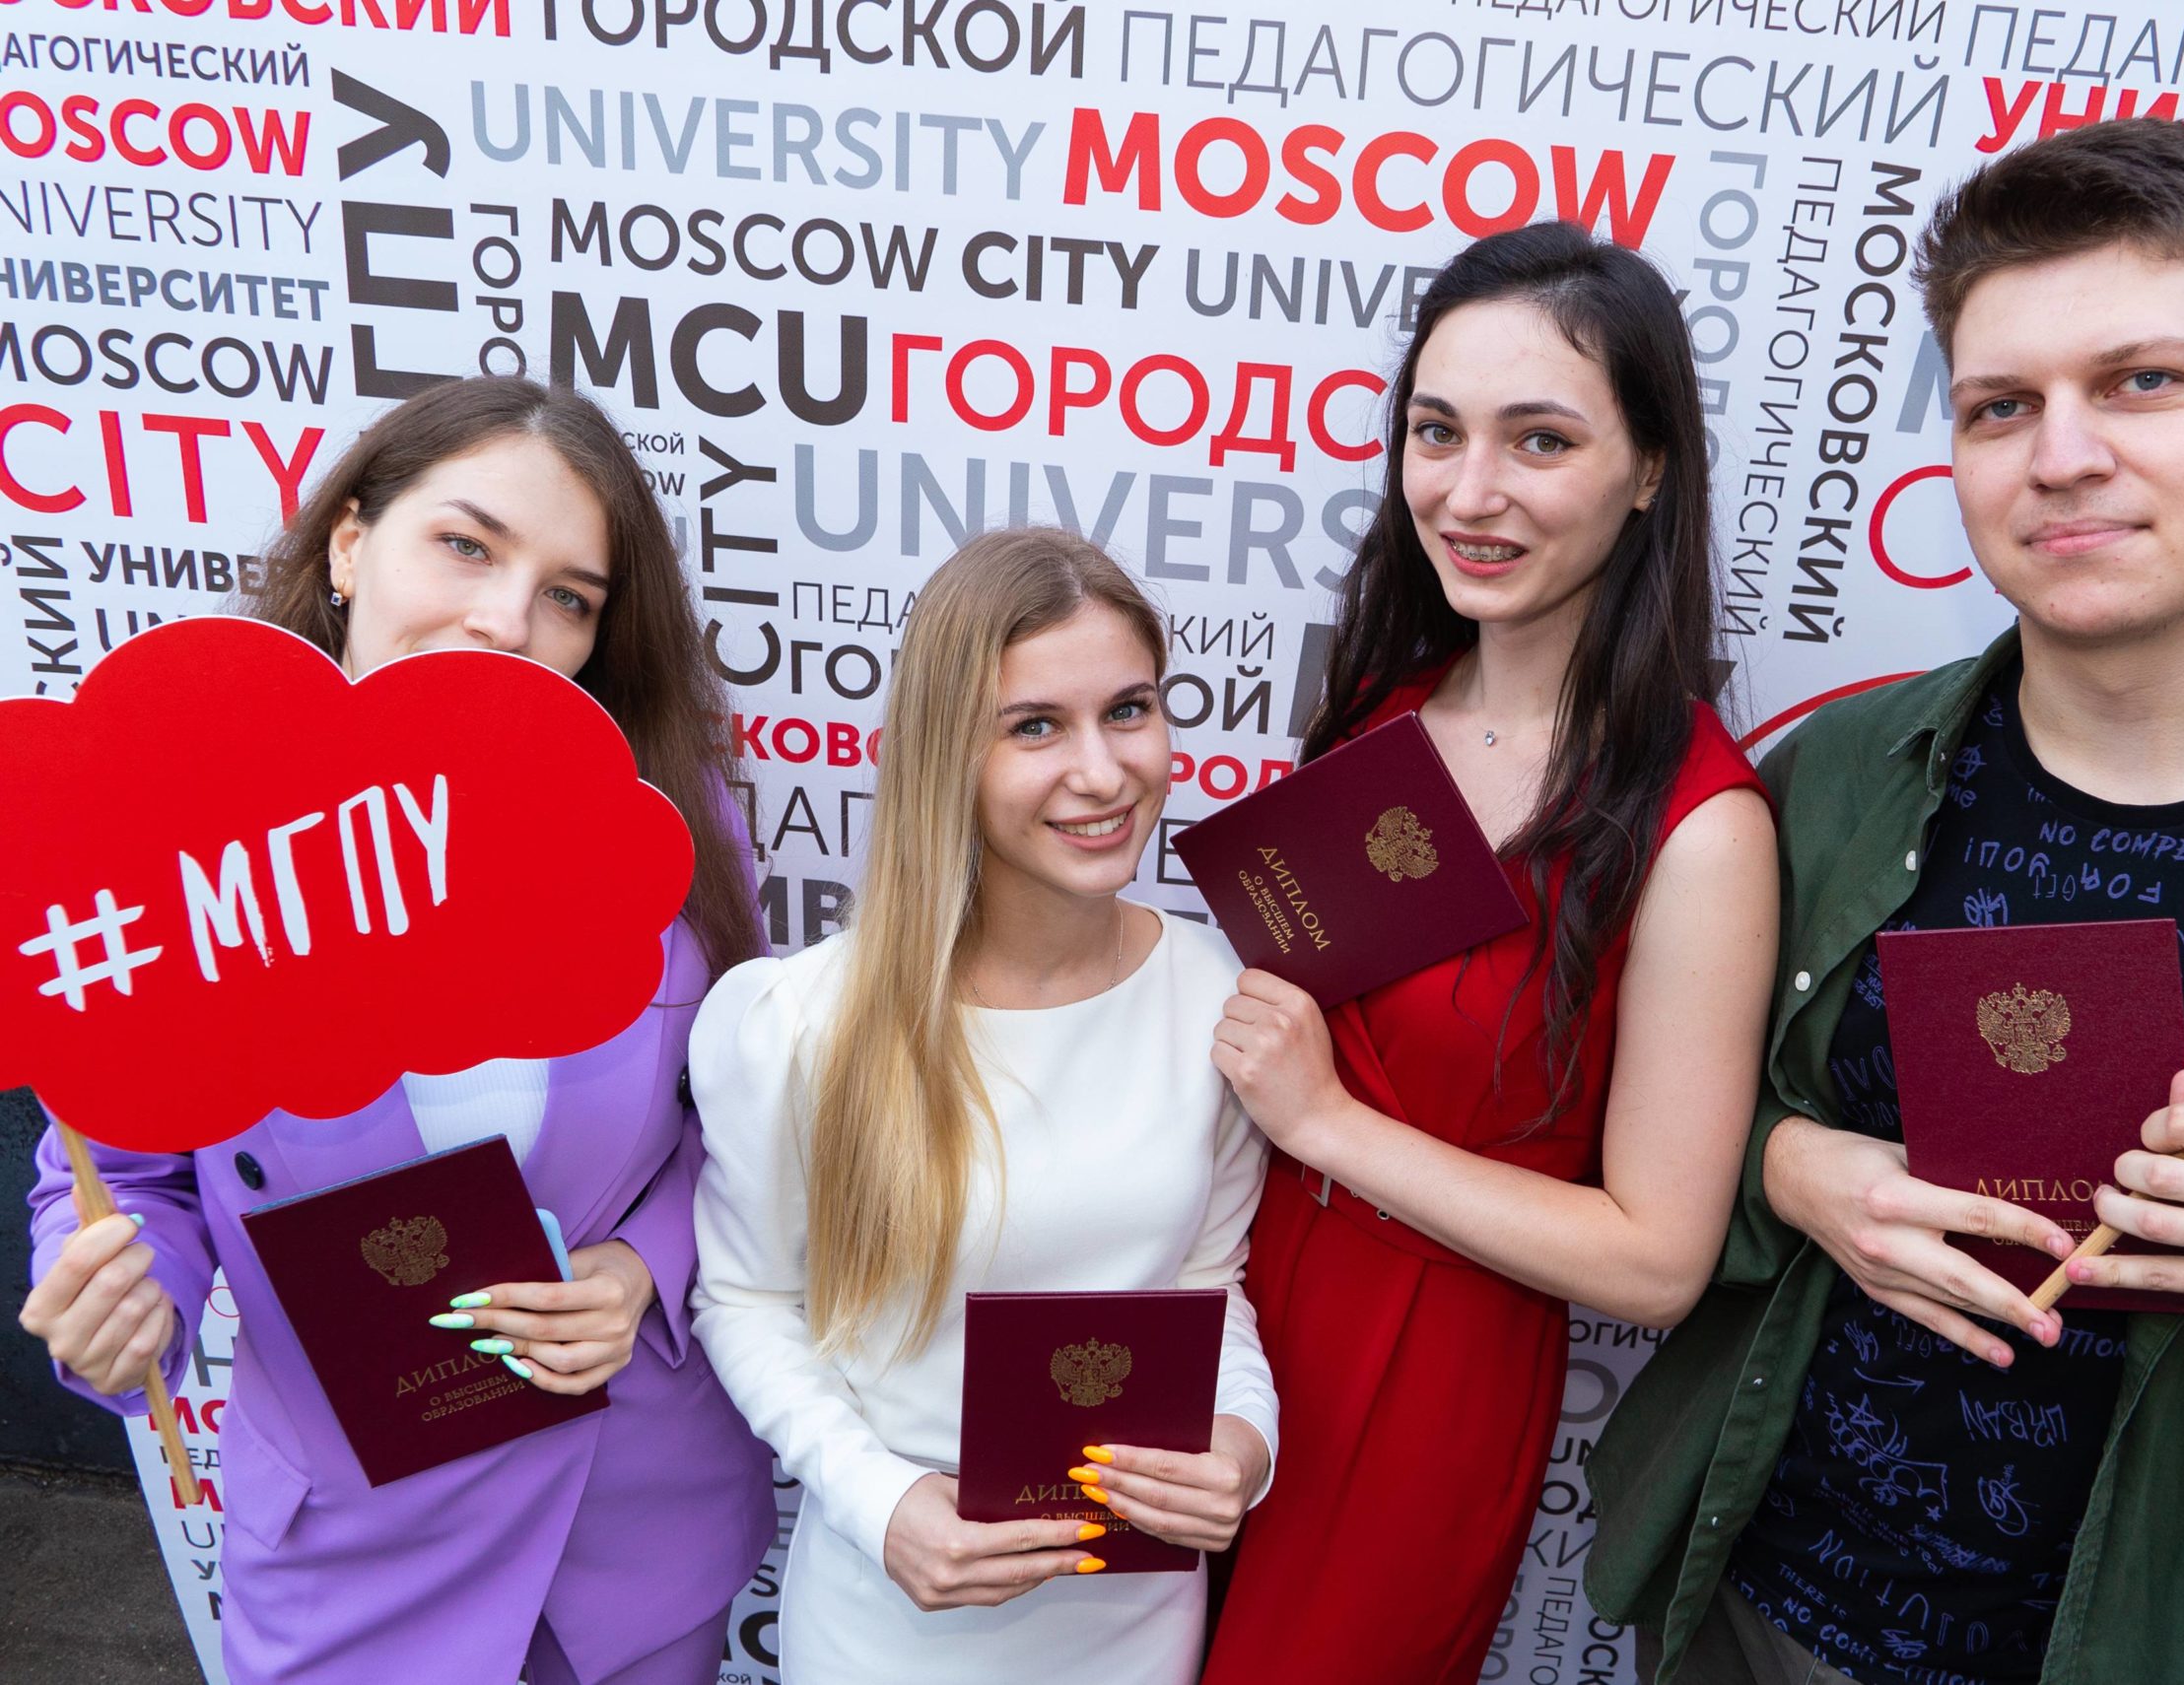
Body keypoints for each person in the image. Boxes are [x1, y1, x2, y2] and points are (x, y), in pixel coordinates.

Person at [1585, 119, 2184, 1685]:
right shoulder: (1833, 778)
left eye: (2144, 381)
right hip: (1763, 1611)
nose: (2063, 455)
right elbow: (1651, 1120)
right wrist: (1795, 1167)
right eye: (2001, 405)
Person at [17, 375, 775, 1685]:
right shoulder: (184, 835)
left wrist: (643, 1269)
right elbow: (125, 1175)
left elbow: (744, 1114)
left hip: (634, 1535)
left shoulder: (663, 818)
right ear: (350, 542)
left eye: (569, 596)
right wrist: (123, 1300)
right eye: (465, 545)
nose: (506, 621)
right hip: (356, 1551)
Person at [1198, 222, 1778, 1685]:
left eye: (1541, 440)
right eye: (1437, 430)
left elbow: (1656, 1258)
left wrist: (1327, 1122)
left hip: (1420, 1388)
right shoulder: (1379, 710)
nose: (1468, 492)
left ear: (1649, 470)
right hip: (1222, 1316)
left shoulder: (1698, 825)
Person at [685, 528, 1278, 1685]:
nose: (1102, 772)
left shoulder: (1213, 990)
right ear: (946, 753)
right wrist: (881, 1501)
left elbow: (1208, 1279)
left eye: (1129, 710)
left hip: (1133, 1618)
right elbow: (747, 1298)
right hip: (890, 1621)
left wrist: (1243, 1439)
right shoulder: (803, 1021)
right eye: (1034, 727)